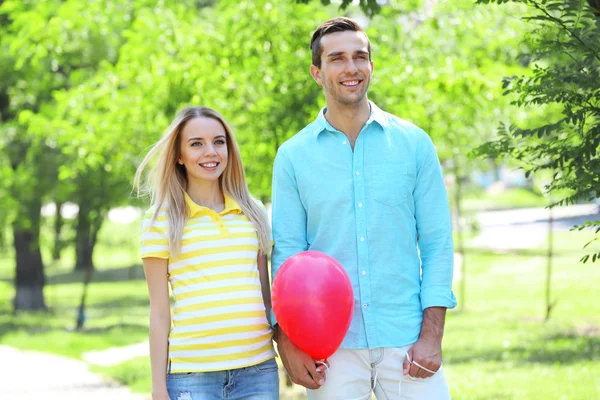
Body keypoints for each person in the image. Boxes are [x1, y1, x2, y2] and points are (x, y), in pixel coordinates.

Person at [270, 17, 456, 400]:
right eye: (337, 58)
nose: (351, 67)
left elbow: (437, 242)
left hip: (406, 341)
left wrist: (432, 335)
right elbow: (287, 255)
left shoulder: (414, 145)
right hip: (330, 348)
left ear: (371, 65)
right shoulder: (292, 157)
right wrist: (288, 342)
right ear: (316, 73)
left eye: (360, 56)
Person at [135, 106, 279, 400]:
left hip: (258, 373)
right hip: (193, 377)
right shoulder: (160, 220)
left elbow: (267, 296)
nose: (210, 152)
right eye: (196, 144)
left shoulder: (254, 212)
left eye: (219, 141)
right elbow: (160, 313)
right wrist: (157, 388)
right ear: (179, 155)